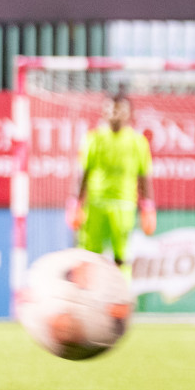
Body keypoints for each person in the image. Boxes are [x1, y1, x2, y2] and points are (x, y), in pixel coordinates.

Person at [68, 94, 155, 276]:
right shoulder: (93, 138)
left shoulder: (138, 142)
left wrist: (148, 207)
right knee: (89, 253)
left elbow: (144, 176)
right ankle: (87, 298)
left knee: (121, 255)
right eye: (110, 108)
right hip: (96, 205)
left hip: (124, 205)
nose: (114, 113)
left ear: (129, 113)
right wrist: (75, 203)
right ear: (103, 112)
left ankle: (121, 298)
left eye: (119, 109)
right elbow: (82, 173)